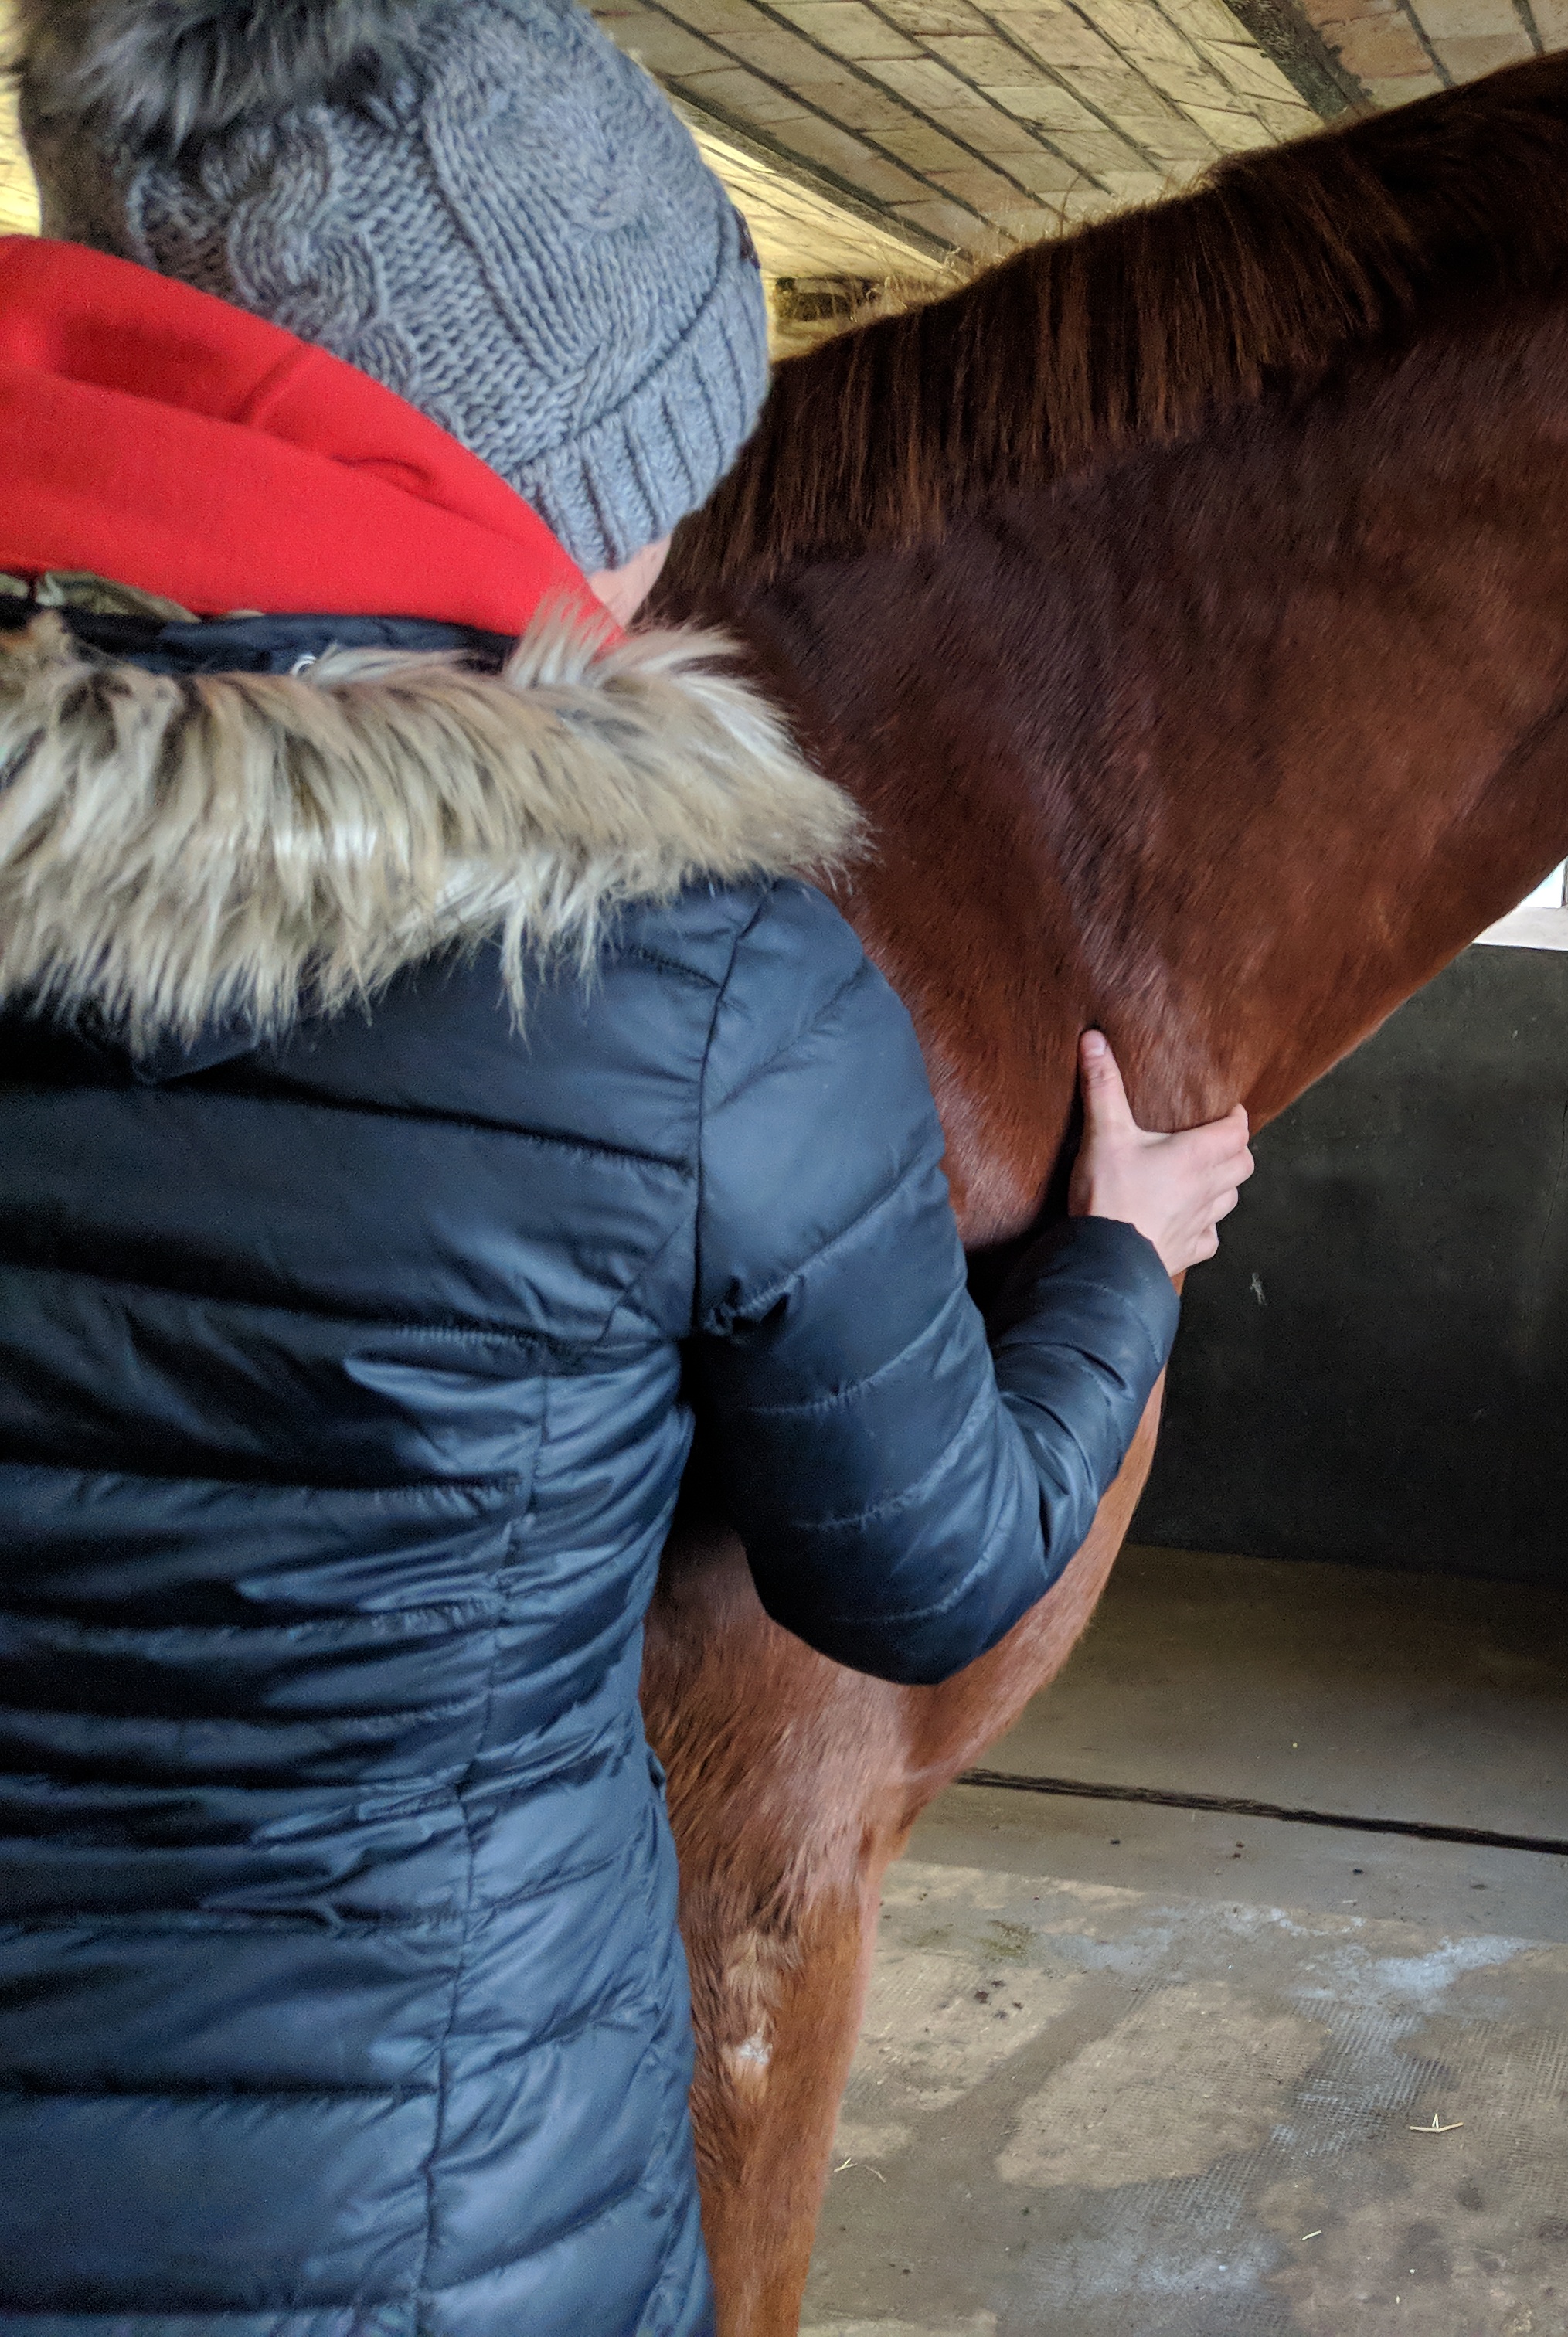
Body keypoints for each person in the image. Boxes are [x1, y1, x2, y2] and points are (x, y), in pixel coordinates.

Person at [0, 2, 1257, 2328]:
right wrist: (1121, 1266)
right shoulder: (701, 995)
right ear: (555, 494)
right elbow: (932, 1572)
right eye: (671, 462)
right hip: (433, 2235)